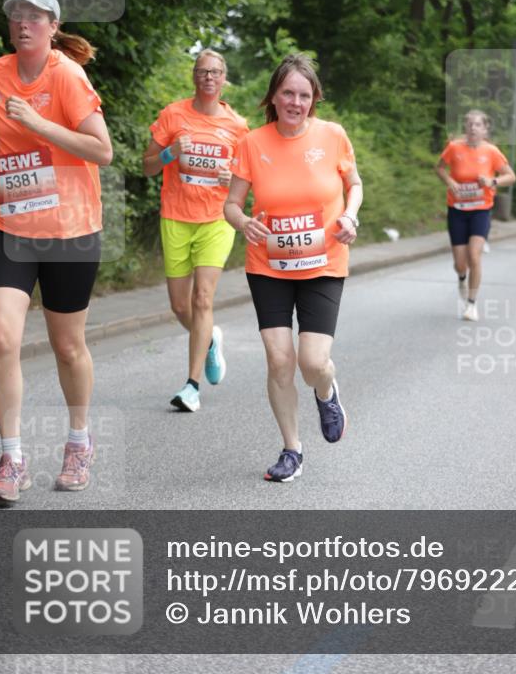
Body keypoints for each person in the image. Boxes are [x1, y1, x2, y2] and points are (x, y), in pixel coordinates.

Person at [0, 0, 113, 502]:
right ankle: (12, 457)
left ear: (54, 26)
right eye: (16, 15)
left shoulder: (67, 76)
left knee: (67, 345)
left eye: (35, 16)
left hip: (70, 232)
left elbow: (101, 150)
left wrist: (38, 123)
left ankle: (79, 441)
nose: (23, 23)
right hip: (9, 226)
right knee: (0, 339)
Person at [224, 54, 362, 483]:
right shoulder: (252, 142)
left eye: (304, 95)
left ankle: (326, 390)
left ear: (314, 99)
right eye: (288, 93)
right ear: (274, 96)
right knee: (278, 359)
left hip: (324, 262)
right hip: (269, 265)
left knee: (312, 361)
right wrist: (243, 221)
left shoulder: (333, 136)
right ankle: (292, 449)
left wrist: (350, 216)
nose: (295, 102)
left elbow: (353, 184)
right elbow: (231, 204)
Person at [143, 49, 249, 412]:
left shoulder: (238, 126)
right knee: (179, 305)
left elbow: (249, 180)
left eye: (215, 72)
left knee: (203, 299)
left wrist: (232, 179)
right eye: (203, 71)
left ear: (224, 79)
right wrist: (170, 153)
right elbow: (147, 167)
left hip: (217, 219)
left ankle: (192, 387)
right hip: (176, 216)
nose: (209, 78)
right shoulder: (173, 115)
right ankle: (210, 340)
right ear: (194, 77)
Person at [436, 110, 516, 321]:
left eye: (477, 125)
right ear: (465, 128)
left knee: (474, 255)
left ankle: (471, 304)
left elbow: (511, 176)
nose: (472, 128)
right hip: (457, 210)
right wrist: (451, 182)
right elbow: (440, 168)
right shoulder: (454, 148)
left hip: (481, 209)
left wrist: (492, 182)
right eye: (469, 124)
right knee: (460, 263)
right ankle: (462, 277)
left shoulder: (491, 151)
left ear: (485, 129)